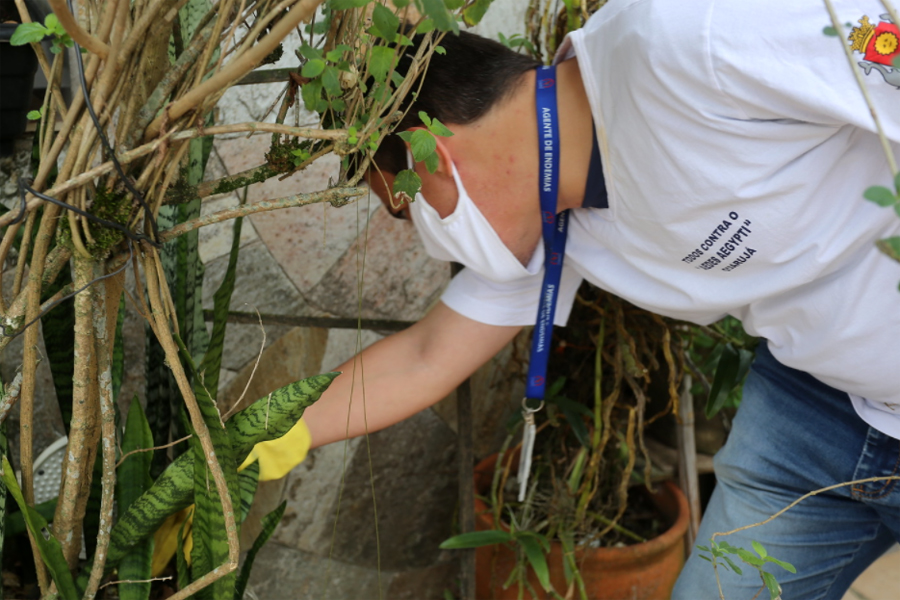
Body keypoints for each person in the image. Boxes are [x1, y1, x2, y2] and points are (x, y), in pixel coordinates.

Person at [301, 0, 900, 597]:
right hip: (818, 415)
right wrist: (257, 439)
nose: (427, 233)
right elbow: (425, 357)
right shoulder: (560, 223)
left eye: (403, 207)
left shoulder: (684, 41)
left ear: (431, 153)